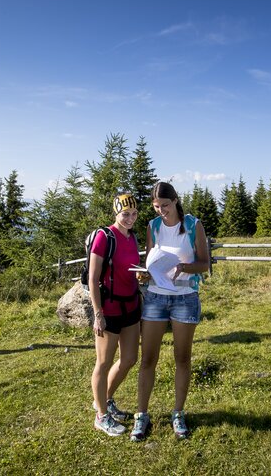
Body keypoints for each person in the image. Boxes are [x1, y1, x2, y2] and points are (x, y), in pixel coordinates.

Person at [131, 181, 209, 441]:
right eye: (156, 207)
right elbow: (149, 262)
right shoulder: (152, 226)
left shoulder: (192, 224)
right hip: (155, 297)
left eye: (165, 205)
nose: (161, 211)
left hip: (185, 298)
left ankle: (178, 413)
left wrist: (184, 268)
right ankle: (141, 415)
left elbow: (204, 264)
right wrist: (144, 275)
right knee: (147, 359)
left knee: (182, 359)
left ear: (175, 200)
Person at [89, 193, 143, 437]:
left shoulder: (132, 238)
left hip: (131, 306)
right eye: (125, 214)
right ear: (116, 213)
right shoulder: (104, 237)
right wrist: (97, 313)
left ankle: (106, 400)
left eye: (133, 214)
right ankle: (101, 416)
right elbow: (93, 277)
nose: (130, 218)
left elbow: (128, 270)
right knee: (103, 362)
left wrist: (142, 276)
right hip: (109, 309)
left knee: (129, 358)